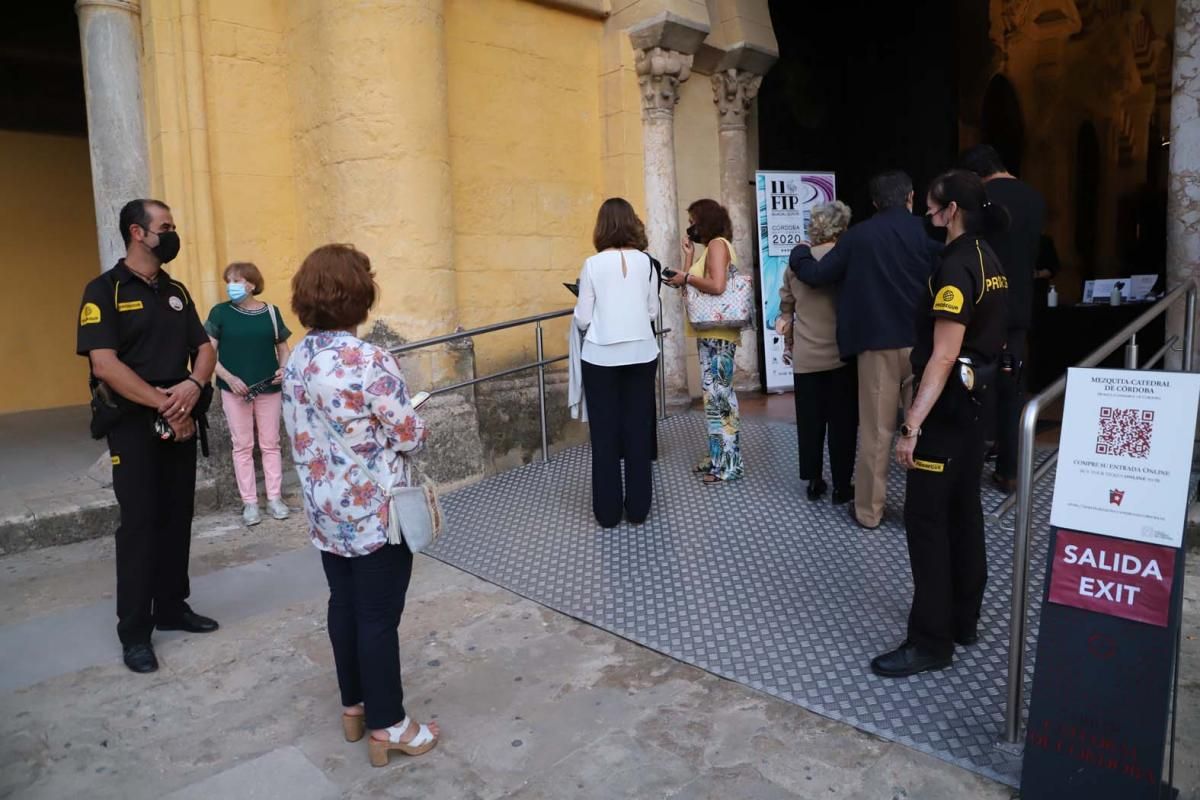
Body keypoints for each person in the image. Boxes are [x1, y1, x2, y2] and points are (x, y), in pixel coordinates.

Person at [282, 243, 439, 765]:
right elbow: (408, 433)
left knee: (343, 605)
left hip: (325, 507)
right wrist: (415, 422)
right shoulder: (368, 359)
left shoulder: (299, 356)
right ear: (359, 293)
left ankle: (354, 706)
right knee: (377, 617)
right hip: (376, 511)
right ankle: (389, 724)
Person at [871, 170, 1010, 678]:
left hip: (948, 411)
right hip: (978, 410)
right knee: (964, 513)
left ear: (952, 211)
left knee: (926, 524)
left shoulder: (955, 266)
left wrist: (911, 425)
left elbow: (944, 354)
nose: (927, 216)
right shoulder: (989, 257)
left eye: (931, 209)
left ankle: (931, 640)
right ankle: (964, 619)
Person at [76, 199, 219, 674]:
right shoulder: (104, 290)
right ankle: (135, 631)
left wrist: (193, 387)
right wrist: (165, 404)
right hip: (136, 425)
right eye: (166, 227)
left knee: (177, 517)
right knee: (139, 526)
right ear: (138, 233)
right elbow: (104, 363)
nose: (172, 235)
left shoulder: (176, 291)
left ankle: (173, 607)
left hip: (179, 418)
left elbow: (203, 348)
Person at [789, 171, 941, 529]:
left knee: (876, 433)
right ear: (911, 198)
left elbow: (817, 275)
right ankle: (924, 511)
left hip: (875, 349)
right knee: (923, 429)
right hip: (923, 347)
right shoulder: (928, 233)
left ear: (873, 203)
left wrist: (798, 254)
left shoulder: (858, 238)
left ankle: (869, 512)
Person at [959, 144, 1045, 493]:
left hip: (983, 308)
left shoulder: (979, 199)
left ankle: (968, 470)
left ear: (976, 175)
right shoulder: (1035, 198)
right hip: (1019, 310)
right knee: (1013, 387)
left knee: (976, 388)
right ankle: (1009, 472)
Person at [573, 198, 660, 527]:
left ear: (601, 226)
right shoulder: (647, 263)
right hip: (642, 352)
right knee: (638, 430)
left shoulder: (592, 264)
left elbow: (582, 318)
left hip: (601, 355)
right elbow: (652, 311)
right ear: (632, 223)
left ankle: (607, 513)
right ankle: (638, 509)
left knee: (605, 435)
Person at [775, 200, 857, 503]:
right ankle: (841, 486)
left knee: (810, 423)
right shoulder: (847, 259)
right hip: (841, 357)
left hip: (806, 357)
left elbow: (787, 308)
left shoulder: (798, 262)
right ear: (843, 227)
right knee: (842, 424)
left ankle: (813, 480)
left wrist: (789, 344)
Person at [206, 262, 292, 526]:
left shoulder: (271, 313)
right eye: (229, 280)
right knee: (242, 446)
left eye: (237, 280)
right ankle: (250, 503)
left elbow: (284, 348)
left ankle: (275, 498)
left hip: (269, 387)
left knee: (270, 443)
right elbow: (207, 354)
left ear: (252, 284)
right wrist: (230, 379)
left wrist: (283, 369)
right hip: (235, 391)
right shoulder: (220, 313)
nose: (231, 285)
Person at [664, 199, 744, 484]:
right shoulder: (710, 248)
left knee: (722, 398)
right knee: (714, 398)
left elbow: (718, 285)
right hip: (709, 333)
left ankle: (729, 465)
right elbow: (692, 286)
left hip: (719, 335)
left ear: (705, 220)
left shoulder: (718, 245)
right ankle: (717, 457)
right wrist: (687, 261)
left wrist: (686, 276)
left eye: (694, 220)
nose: (691, 226)